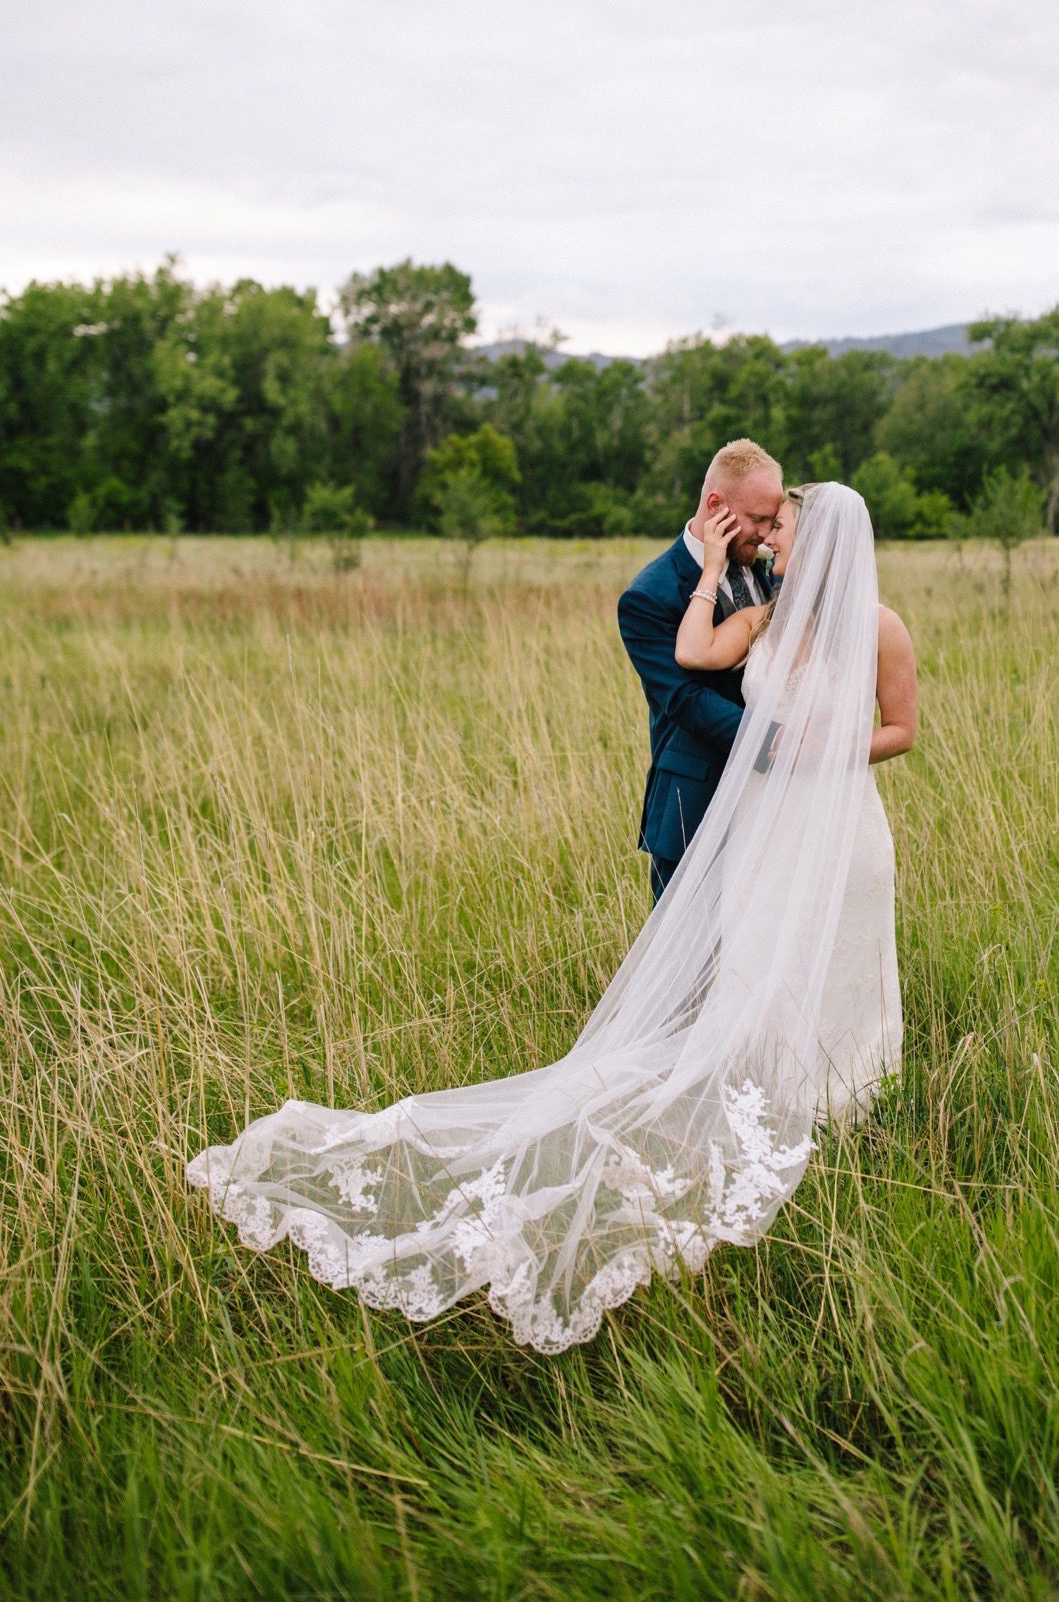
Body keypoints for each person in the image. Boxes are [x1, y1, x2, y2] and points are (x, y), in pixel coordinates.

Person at [186, 481, 918, 1354]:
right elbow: (689, 665)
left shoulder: (876, 624)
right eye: (767, 524)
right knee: (760, 967)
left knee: (841, 963)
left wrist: (822, 752)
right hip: (767, 827)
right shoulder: (762, 611)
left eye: (781, 527)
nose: (770, 538)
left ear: (827, 540)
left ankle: (849, 1098)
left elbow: (902, 727)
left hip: (840, 824)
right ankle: (769, 1086)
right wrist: (716, 572)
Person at [616, 438, 785, 903]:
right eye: (758, 520)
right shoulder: (649, 596)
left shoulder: (771, 571)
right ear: (717, 506)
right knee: (684, 961)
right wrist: (776, 740)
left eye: (774, 522)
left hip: (774, 800)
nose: (768, 535)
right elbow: (686, 699)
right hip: (696, 799)